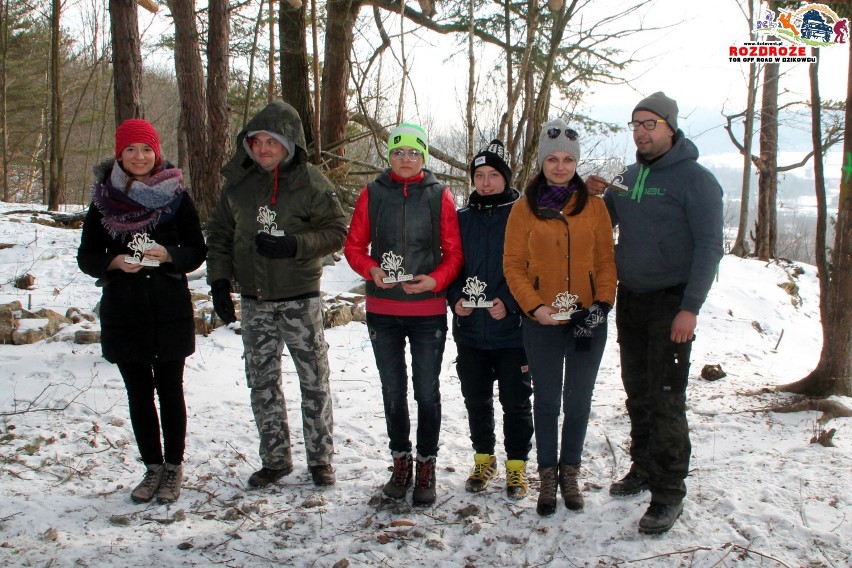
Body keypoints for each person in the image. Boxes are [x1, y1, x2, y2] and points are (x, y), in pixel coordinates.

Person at [588, 91, 724, 535]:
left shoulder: (696, 180)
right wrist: (591, 196)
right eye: (636, 125)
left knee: (666, 398)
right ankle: (643, 467)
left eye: (650, 124)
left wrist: (691, 308)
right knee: (638, 391)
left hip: (672, 302)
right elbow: (602, 220)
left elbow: (709, 247)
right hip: (632, 299)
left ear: (670, 126)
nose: (642, 132)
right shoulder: (627, 177)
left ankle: (668, 492)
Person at [206, 101, 347, 489]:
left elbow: (337, 230)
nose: (263, 149)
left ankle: (320, 460)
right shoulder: (238, 184)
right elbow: (219, 234)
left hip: (299, 297)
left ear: (289, 144)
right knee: (262, 382)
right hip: (254, 300)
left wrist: (295, 245)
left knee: (313, 381)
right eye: (256, 142)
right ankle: (275, 459)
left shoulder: (311, 181)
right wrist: (219, 282)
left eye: (272, 142)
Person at [77, 118, 207, 505]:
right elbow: (86, 256)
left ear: (157, 153)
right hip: (125, 313)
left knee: (170, 391)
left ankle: (174, 467)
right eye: (131, 149)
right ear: (119, 154)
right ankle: (151, 467)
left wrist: (169, 255)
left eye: (146, 149)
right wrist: (114, 262)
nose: (139, 156)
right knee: (138, 393)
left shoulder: (177, 198)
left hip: (168, 310)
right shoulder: (103, 200)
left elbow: (197, 251)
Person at [344, 123, 463, 506]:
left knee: (426, 391)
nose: (406, 158)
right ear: (389, 155)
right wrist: (372, 270)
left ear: (424, 156)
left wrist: (434, 281)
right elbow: (354, 246)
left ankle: (426, 464)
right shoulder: (373, 193)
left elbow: (454, 253)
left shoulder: (440, 195)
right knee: (393, 391)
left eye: (413, 152)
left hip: (427, 310)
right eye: (398, 152)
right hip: (383, 309)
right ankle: (400, 463)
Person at [503, 119, 616, 516]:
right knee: (547, 401)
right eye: (552, 159)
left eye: (568, 159)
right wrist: (535, 307)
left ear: (577, 162)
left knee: (579, 401)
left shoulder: (595, 207)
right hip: (543, 321)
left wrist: (601, 306)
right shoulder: (524, 208)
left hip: (588, 320)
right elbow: (513, 265)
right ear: (541, 162)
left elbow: (605, 261)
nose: (561, 166)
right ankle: (547, 474)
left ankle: (571, 471)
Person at [447, 139, 533, 500]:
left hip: (512, 333)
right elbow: (450, 264)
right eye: (479, 175)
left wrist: (511, 303)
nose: (485, 183)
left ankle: (517, 468)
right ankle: (484, 460)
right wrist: (455, 300)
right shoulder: (460, 219)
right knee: (476, 399)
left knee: (515, 402)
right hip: (470, 332)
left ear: (505, 178)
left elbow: (533, 269)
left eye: (493, 175)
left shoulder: (523, 216)